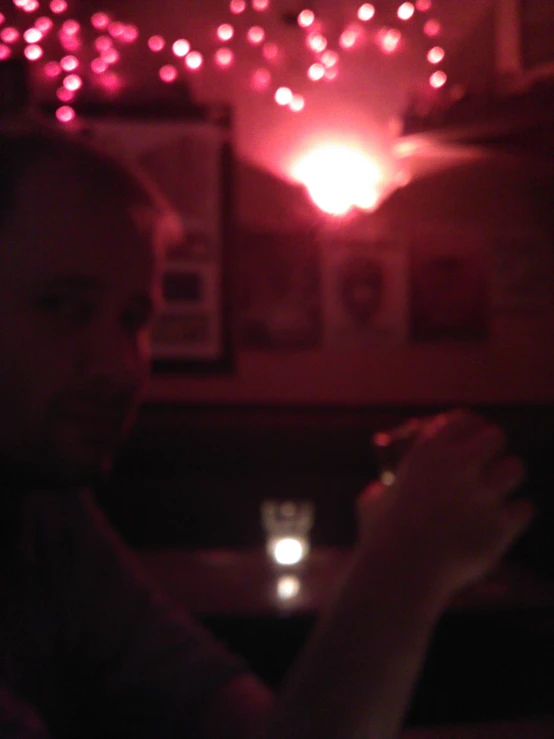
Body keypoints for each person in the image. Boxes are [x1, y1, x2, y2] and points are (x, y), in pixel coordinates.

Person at [0, 114, 534, 739]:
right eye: (63, 307)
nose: (121, 366)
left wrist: (403, 561)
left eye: (133, 318)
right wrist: (400, 573)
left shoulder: (47, 518)